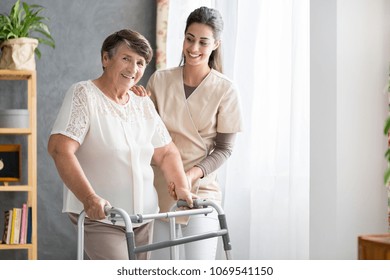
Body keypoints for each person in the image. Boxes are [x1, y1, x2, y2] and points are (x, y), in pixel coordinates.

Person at [47, 29, 193, 260]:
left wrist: (182, 186)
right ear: (106, 58)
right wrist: (89, 198)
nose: (133, 69)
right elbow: (59, 148)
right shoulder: (84, 95)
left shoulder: (141, 102)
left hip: (145, 217)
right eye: (126, 59)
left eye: (140, 63)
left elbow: (166, 152)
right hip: (102, 217)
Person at [142, 6, 243, 260]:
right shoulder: (159, 80)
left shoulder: (226, 90)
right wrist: (136, 103)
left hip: (201, 192)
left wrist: (191, 174)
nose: (194, 48)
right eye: (190, 38)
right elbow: (146, 135)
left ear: (216, 44)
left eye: (203, 42)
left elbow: (224, 148)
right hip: (162, 190)